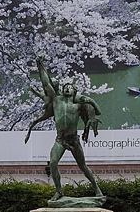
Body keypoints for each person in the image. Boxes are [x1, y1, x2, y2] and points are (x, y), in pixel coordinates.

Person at [24, 57, 102, 200]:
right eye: (65, 86)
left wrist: (90, 101)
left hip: (74, 140)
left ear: (74, 90)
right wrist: (40, 65)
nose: (67, 87)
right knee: (53, 163)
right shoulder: (56, 100)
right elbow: (46, 83)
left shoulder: (79, 105)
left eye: (70, 86)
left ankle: (97, 189)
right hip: (60, 140)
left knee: (83, 166)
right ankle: (59, 191)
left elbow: (96, 111)